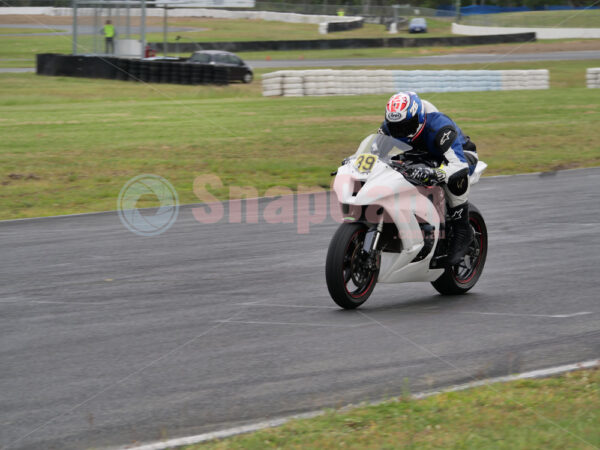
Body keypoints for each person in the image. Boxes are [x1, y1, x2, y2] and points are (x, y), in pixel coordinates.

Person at [378, 91, 478, 266]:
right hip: (420, 154)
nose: (400, 132)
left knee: (452, 176)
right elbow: (374, 153)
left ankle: (463, 229)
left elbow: (459, 164)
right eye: (396, 127)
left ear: (418, 119)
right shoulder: (390, 125)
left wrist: (436, 173)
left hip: (459, 156)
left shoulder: (440, 127)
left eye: (405, 126)